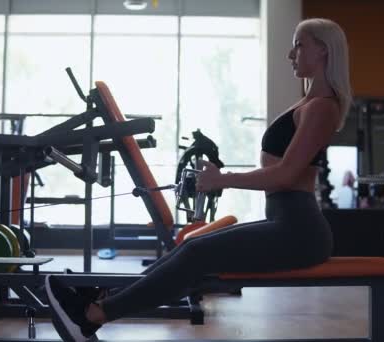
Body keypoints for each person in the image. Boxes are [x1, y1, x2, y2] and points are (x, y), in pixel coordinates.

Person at [45, 17, 352, 342]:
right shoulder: (309, 104)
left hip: (300, 233)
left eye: (299, 45)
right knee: (192, 246)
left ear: (322, 50)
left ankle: (93, 316)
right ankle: (100, 299)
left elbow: (287, 174)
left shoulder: (322, 107)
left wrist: (223, 179)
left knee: (197, 255)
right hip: (285, 223)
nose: (291, 54)